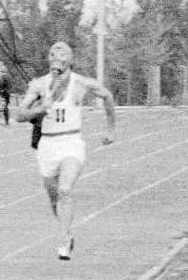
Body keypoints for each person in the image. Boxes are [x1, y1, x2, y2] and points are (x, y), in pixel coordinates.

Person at [18, 40, 117, 261]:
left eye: (62, 54)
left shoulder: (80, 83)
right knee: (54, 198)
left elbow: (107, 96)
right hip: (47, 144)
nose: (57, 58)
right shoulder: (39, 85)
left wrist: (110, 129)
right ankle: (68, 232)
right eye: (53, 54)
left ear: (70, 60)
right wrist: (40, 108)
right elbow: (20, 115)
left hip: (71, 142)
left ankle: (63, 242)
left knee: (65, 190)